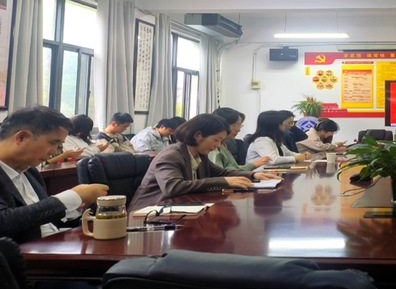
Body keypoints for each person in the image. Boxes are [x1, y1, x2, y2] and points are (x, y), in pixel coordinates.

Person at [0, 106, 109, 243]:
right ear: (22, 137)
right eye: (53, 143)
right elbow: (4, 222)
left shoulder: (30, 172)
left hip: (51, 245)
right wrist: (72, 196)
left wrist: (75, 206)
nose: (54, 152)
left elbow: (42, 220)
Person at [129, 114, 281, 210]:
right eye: (216, 140)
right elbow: (172, 188)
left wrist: (254, 176)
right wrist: (225, 181)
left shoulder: (199, 154)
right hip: (148, 214)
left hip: (178, 209)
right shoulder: (171, 155)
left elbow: (221, 172)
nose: (218, 146)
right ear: (198, 135)